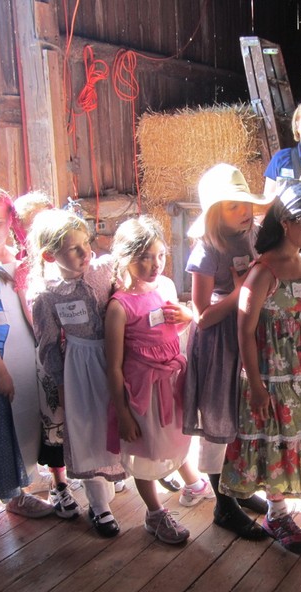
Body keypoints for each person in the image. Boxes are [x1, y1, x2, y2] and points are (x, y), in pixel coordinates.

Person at [220, 179, 301, 554]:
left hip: (298, 371)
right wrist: (258, 386)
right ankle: (277, 513)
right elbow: (245, 331)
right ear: (286, 222)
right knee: (274, 440)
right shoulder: (264, 271)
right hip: (269, 376)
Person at [105, 216, 213, 544]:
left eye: (160, 255)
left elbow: (168, 326)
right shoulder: (119, 306)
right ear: (124, 258)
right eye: (144, 258)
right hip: (143, 392)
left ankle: (193, 482)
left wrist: (187, 316)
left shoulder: (164, 287)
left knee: (174, 437)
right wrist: (123, 414)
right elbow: (113, 366)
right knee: (146, 448)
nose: (155, 265)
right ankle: (154, 512)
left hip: (171, 383)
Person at [0, 186, 66, 520]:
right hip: (2, 356)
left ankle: (35, 481)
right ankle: (13, 495)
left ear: (10, 222)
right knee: (7, 423)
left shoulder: (19, 262)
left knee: (26, 418)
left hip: (26, 350)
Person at [183, 163, 270, 540]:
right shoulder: (207, 249)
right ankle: (222, 504)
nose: (244, 211)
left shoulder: (253, 235)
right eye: (233, 206)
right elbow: (201, 316)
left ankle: (236, 485)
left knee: (242, 416)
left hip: (246, 334)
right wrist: (238, 295)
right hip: (219, 342)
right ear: (215, 212)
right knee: (219, 416)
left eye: (245, 203)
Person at [29, 209, 126, 538]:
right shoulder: (48, 296)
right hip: (80, 367)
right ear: (49, 255)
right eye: (74, 249)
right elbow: (47, 346)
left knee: (116, 419)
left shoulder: (103, 270)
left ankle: (117, 474)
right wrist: (61, 385)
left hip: (115, 353)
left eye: (87, 243)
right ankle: (99, 505)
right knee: (86, 431)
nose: (87, 253)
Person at [12, 191, 82, 504]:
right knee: (56, 419)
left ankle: (91, 469)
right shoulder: (30, 276)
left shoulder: (81, 267)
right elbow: (40, 329)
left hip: (83, 355)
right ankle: (60, 483)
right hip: (54, 357)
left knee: (86, 416)